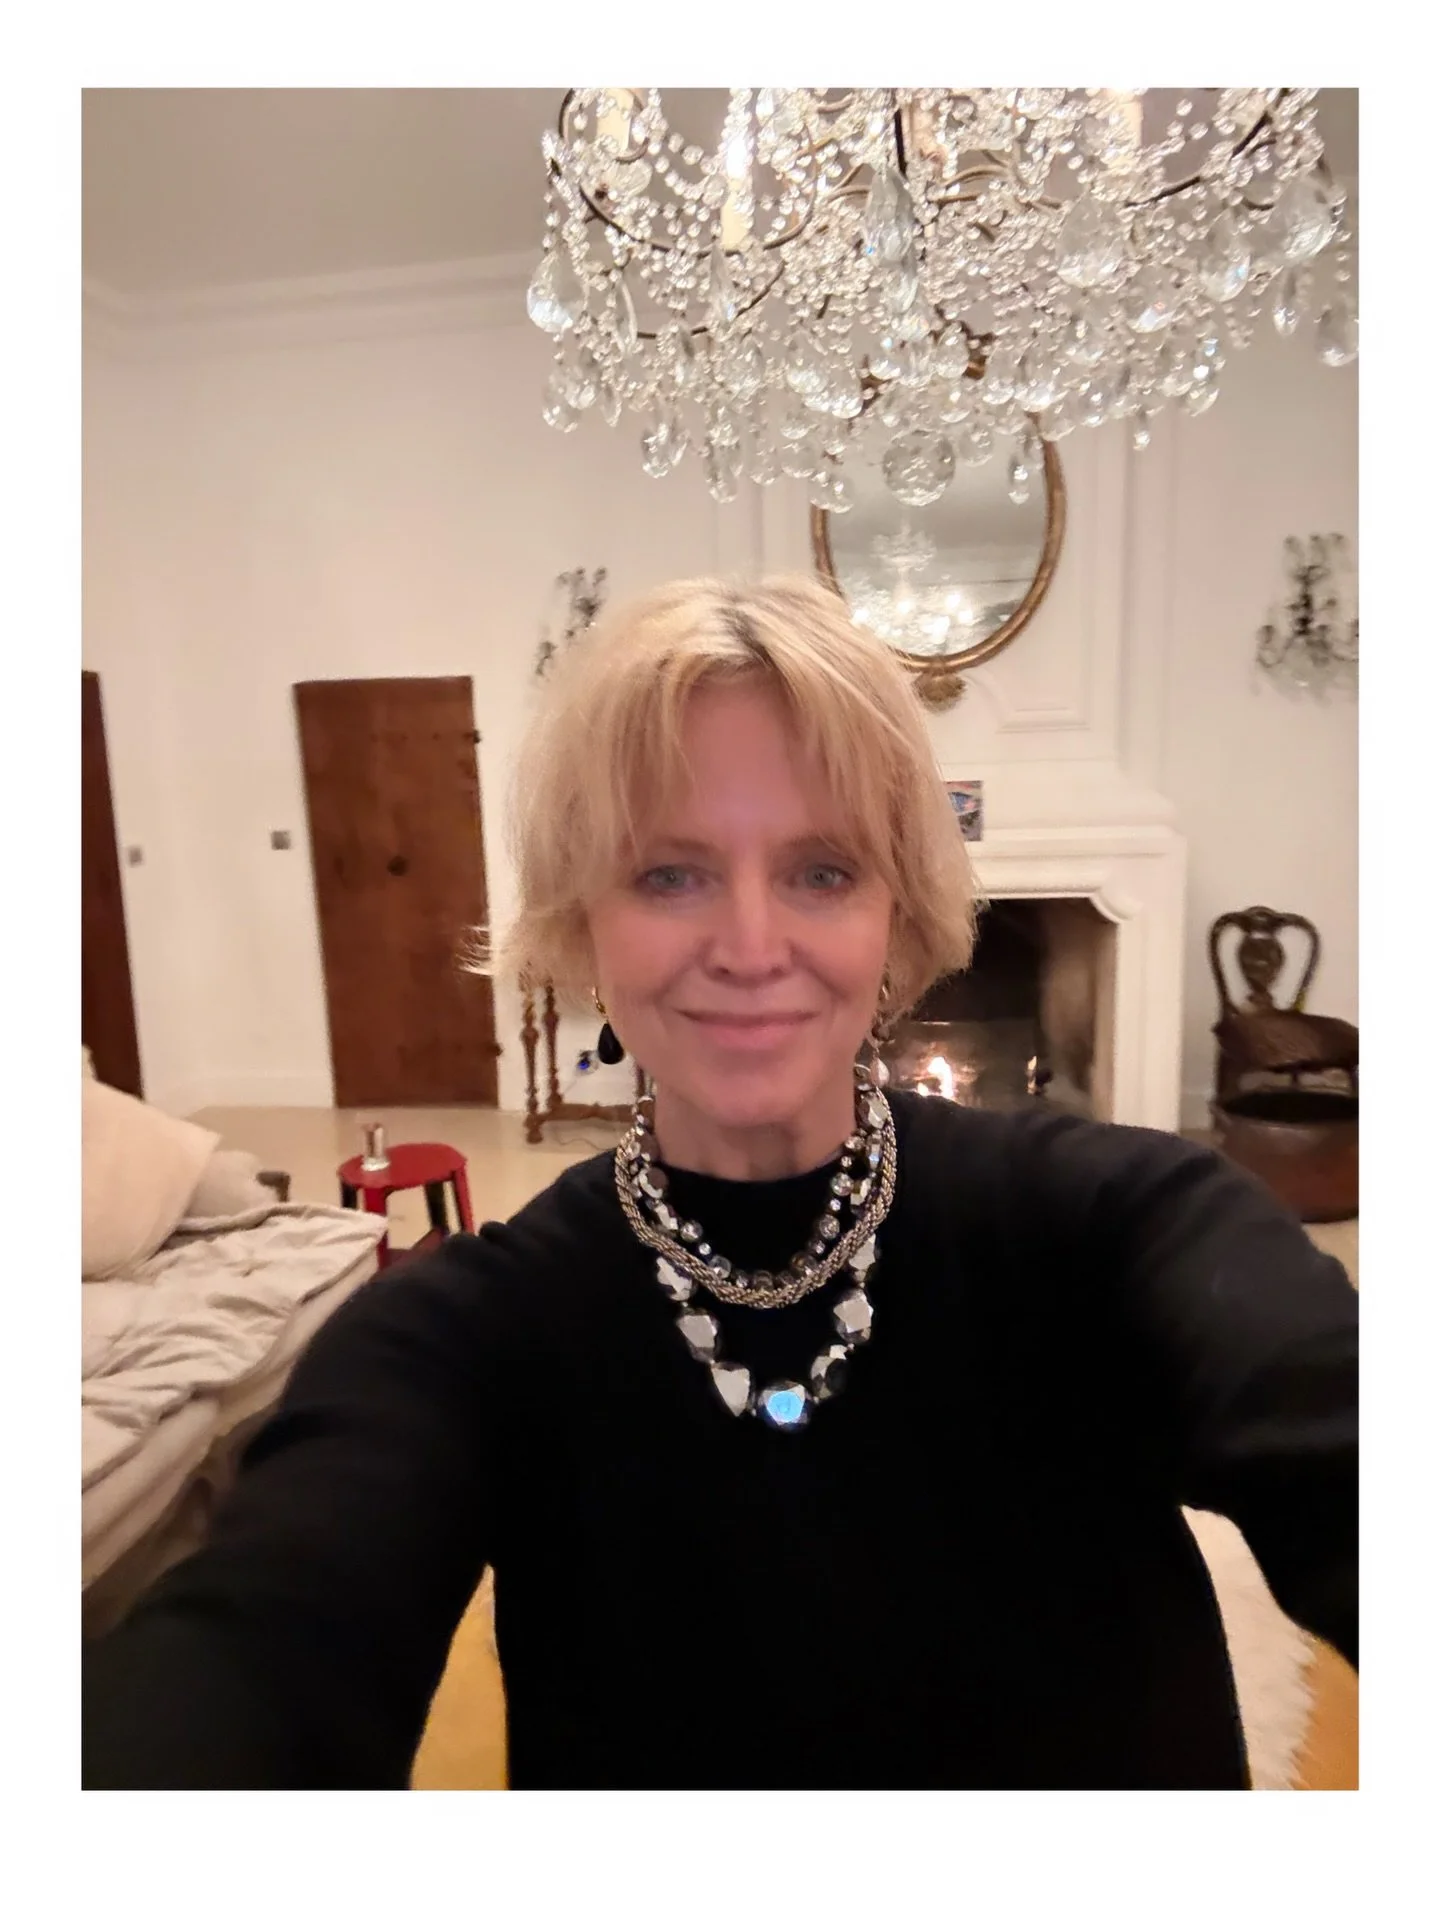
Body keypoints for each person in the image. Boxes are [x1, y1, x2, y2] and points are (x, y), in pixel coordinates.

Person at [82, 575, 1357, 1789]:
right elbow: (262, 1645)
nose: (751, 947)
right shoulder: (469, 1329)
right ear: (584, 920)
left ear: (896, 911)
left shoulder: (1118, 1218)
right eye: (670, 873)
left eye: (822, 870)